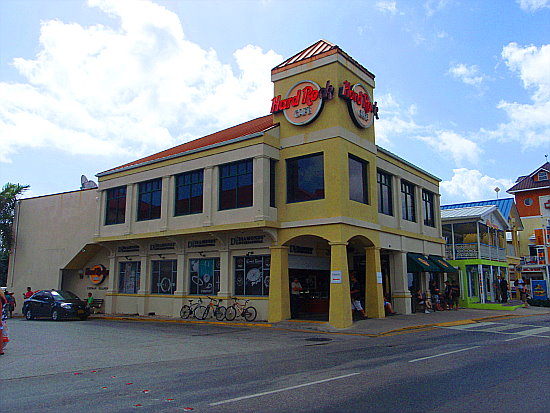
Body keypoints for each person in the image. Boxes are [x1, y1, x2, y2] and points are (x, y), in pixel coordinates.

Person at [0, 289, 8, 355]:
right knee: (1, 335)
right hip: (2, 320)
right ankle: (1, 349)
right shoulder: (3, 299)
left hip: (1, 319)